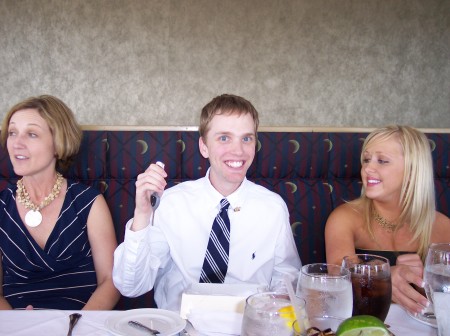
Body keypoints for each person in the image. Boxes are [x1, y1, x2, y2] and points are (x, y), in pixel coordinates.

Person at [113, 94, 301, 311]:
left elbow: (287, 278)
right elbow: (131, 286)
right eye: (224, 138)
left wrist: (267, 314)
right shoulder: (171, 203)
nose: (238, 151)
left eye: (246, 138)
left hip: (248, 325)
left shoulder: (273, 208)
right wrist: (143, 213)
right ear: (204, 146)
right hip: (180, 327)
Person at [0, 95, 120, 310]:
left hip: (79, 323)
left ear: (58, 144)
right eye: (12, 133)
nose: (16, 143)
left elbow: (110, 282)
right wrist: (15, 325)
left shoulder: (89, 202)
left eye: (32, 134)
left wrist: (76, 327)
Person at [325, 125, 450, 315]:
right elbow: (338, 277)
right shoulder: (344, 218)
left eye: (382, 161)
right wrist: (383, 276)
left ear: (412, 170)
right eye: (366, 160)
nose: (368, 167)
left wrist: (424, 283)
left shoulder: (442, 226)